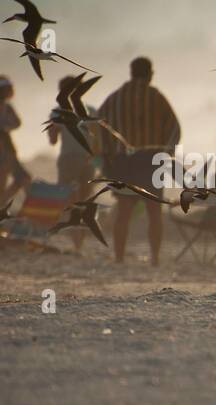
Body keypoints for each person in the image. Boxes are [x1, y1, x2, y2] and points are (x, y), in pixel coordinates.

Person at [98, 57, 180, 264]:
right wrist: (167, 152)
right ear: (150, 73)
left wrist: (107, 155)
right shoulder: (155, 96)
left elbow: (98, 127)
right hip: (151, 159)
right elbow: (174, 128)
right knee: (154, 211)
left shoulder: (115, 98)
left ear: (131, 72)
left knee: (124, 210)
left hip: (123, 160)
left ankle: (119, 257)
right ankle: (154, 258)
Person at [46, 74, 100, 249]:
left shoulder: (57, 112)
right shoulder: (90, 109)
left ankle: (75, 238)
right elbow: (97, 140)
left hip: (68, 159)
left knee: (70, 201)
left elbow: (53, 140)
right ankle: (80, 241)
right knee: (85, 200)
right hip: (87, 159)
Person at [0, 76, 32, 207]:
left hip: (7, 147)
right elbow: (16, 123)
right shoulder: (6, 107)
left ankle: (2, 203)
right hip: (5, 148)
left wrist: (5, 127)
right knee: (21, 178)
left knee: (21, 178)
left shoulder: (7, 107)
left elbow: (17, 123)